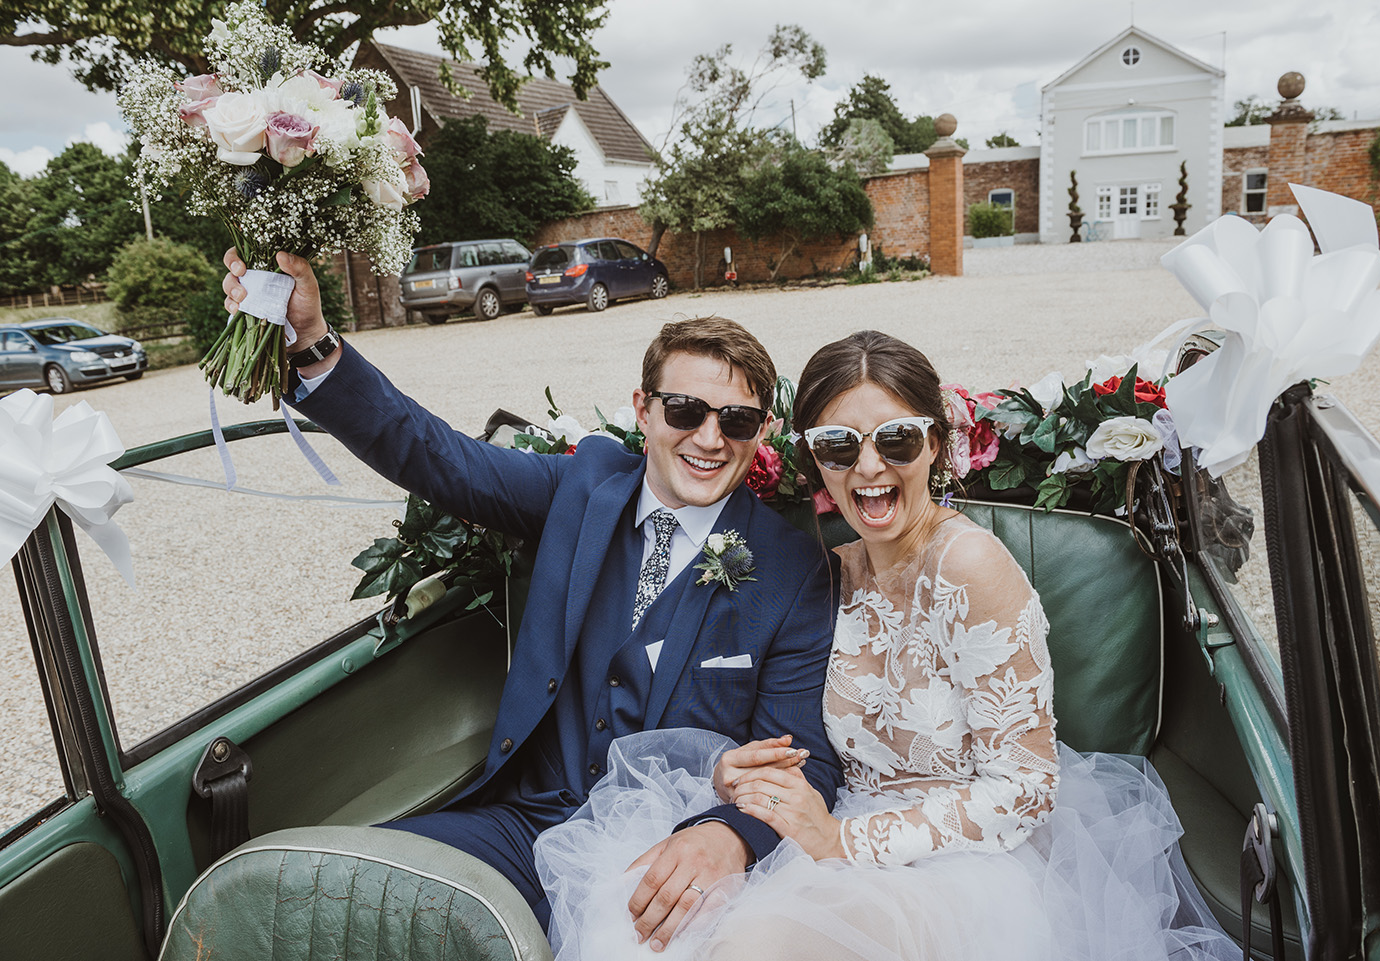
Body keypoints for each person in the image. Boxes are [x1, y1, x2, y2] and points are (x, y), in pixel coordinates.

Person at [535, 330, 1242, 961]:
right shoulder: (827, 571)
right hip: (830, 836)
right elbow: (798, 735)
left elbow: (1026, 788)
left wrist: (848, 845)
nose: (868, 466)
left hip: (964, 864)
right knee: (655, 925)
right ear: (815, 461)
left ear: (933, 444)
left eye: (896, 440)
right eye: (839, 446)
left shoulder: (970, 567)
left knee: (752, 946)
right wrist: (739, 777)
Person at [219, 250, 845, 948]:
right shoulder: (581, 487)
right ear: (643, 410)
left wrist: (729, 835)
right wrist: (313, 343)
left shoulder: (793, 567)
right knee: (334, 894)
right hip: (525, 823)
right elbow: (435, 455)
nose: (709, 437)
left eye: (736, 421)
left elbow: (804, 755)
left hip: (670, 856)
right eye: (685, 409)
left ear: (760, 431)